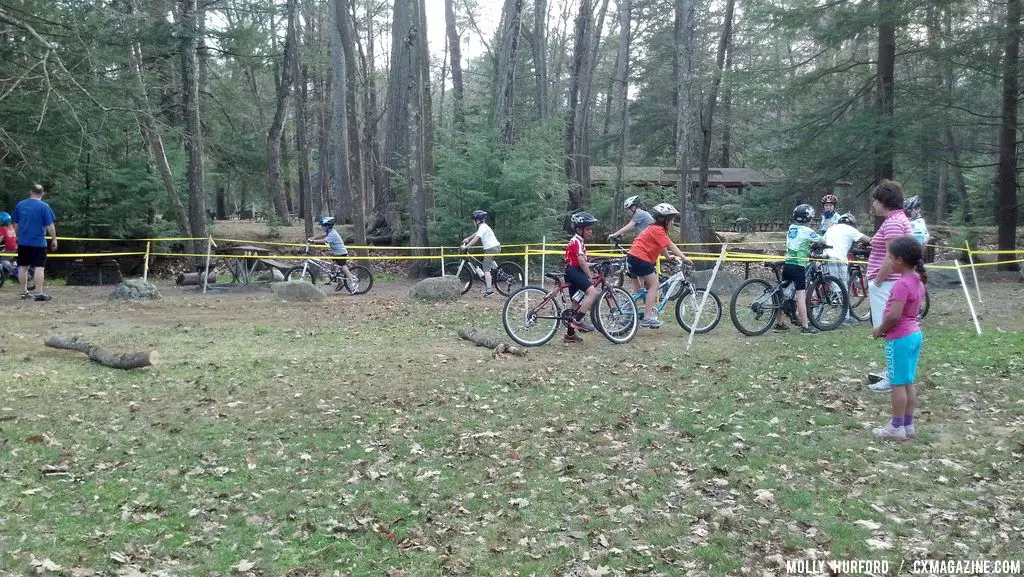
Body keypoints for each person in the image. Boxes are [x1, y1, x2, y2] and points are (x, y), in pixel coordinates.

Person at [870, 236, 927, 441]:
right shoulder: (917, 281)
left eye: (890, 257)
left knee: (897, 384)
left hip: (899, 338)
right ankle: (907, 424)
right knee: (907, 381)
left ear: (900, 260)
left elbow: (894, 315)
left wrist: (880, 330)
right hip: (914, 335)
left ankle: (896, 426)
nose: (888, 260)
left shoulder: (901, 284)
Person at [866, 180, 912, 392]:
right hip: (891, 283)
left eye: (875, 200)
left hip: (887, 284)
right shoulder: (897, 220)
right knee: (893, 329)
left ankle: (894, 376)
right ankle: (893, 370)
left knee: (890, 328)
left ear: (884, 201)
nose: (873, 204)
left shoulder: (893, 223)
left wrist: (877, 280)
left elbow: (892, 256)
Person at [626, 202, 692, 328]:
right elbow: (670, 245)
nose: (672, 223)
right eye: (671, 220)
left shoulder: (654, 229)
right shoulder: (658, 230)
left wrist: (667, 257)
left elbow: (661, 245)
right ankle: (648, 317)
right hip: (641, 258)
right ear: (665, 220)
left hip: (633, 257)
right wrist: (684, 258)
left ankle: (627, 316)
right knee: (654, 285)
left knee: (639, 290)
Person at [777, 203, 821, 334]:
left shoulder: (791, 228)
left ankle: (778, 323)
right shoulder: (807, 231)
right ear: (809, 218)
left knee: (783, 294)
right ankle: (805, 326)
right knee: (800, 296)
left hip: (787, 265)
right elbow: (822, 240)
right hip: (798, 266)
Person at [823, 213, 872, 325]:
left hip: (825, 256)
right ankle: (846, 317)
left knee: (825, 286)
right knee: (843, 287)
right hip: (838, 258)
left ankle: (817, 313)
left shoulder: (831, 228)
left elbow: (822, 240)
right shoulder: (850, 229)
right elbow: (868, 240)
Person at [12, 184, 57, 301]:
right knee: (39, 267)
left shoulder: (20, 205)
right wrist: (54, 239)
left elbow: (15, 224)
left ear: (30, 191)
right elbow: (50, 225)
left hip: (23, 242)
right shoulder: (44, 206)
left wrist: (17, 236)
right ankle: (39, 293)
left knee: (23, 267)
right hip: (38, 242)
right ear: (42, 194)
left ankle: (23, 292)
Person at [562, 211, 600, 343]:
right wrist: (590, 277)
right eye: (588, 229)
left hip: (572, 270)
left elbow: (581, 261)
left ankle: (570, 335)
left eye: (591, 229)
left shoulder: (578, 241)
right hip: (574, 271)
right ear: (579, 229)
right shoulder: (577, 241)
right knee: (592, 292)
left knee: (576, 303)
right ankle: (578, 321)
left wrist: (593, 264)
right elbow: (582, 262)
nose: (591, 232)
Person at [608, 196, 656, 294]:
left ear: (633, 207)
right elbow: (633, 229)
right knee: (634, 272)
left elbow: (631, 225)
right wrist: (621, 234)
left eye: (627, 209)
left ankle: (639, 294)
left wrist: (615, 234)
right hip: (646, 245)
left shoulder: (640, 213)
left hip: (647, 246)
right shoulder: (641, 215)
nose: (627, 212)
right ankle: (636, 295)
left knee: (636, 268)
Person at [307, 216, 358, 292]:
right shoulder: (329, 232)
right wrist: (314, 238)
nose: (322, 227)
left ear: (328, 226)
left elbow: (324, 241)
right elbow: (323, 236)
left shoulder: (332, 234)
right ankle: (340, 281)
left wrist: (312, 242)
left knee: (343, 267)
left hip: (341, 253)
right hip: (336, 253)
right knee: (332, 267)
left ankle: (353, 283)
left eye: (323, 226)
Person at [460, 209, 501, 297]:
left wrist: (466, 247)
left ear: (477, 220)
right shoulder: (484, 226)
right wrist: (468, 238)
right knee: (487, 262)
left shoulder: (482, 227)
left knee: (486, 269)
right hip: (495, 247)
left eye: (473, 221)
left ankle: (489, 290)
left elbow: (476, 239)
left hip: (491, 249)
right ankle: (498, 271)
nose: (473, 223)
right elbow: (476, 234)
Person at [1, 211, 16, 278]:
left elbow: (1, 238)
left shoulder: (2, 229)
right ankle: (14, 265)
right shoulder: (11, 227)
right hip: (14, 247)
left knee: (2, 260)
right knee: (8, 259)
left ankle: (13, 271)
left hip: (9, 248)